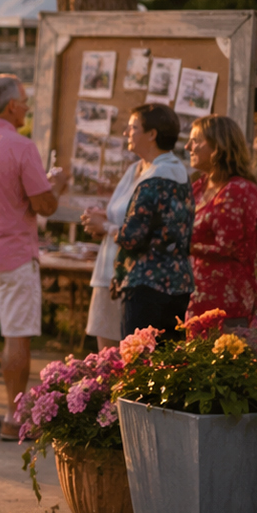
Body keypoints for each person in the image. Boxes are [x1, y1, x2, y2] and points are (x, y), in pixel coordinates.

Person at [0, 75, 67, 440]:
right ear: (10, 107)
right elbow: (44, 204)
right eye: (24, 101)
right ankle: (13, 417)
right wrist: (57, 186)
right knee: (17, 336)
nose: (27, 108)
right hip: (13, 254)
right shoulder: (21, 146)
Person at [82, 105, 191, 341]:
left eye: (133, 128)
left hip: (149, 282)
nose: (126, 133)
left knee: (136, 361)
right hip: (118, 272)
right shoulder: (136, 169)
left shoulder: (164, 174)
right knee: (109, 360)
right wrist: (102, 217)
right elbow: (134, 214)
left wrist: (105, 227)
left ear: (152, 134)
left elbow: (136, 233)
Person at [186, 115, 257, 325]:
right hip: (195, 299)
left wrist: (184, 246)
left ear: (218, 145)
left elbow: (234, 248)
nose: (187, 146)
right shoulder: (200, 187)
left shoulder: (238, 190)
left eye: (195, 141)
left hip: (227, 305)